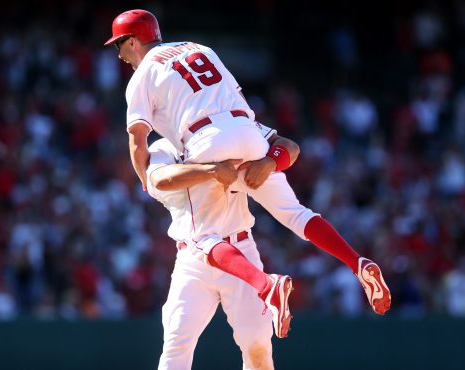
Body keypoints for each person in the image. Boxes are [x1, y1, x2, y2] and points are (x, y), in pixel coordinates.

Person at [104, 9, 391, 324]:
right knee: (297, 214)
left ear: (133, 42)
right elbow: (286, 144)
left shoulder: (143, 74)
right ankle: (358, 263)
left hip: (205, 141)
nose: (119, 55)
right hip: (247, 129)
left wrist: (147, 182)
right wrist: (269, 162)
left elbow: (137, 139)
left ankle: (266, 286)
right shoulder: (201, 49)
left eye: (119, 45)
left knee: (202, 238)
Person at [148, 122, 290, 369]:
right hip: (193, 259)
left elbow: (288, 146)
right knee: (176, 344)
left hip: (240, 249)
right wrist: (212, 170)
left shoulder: (230, 125)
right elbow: (159, 180)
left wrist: (269, 162)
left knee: (258, 346)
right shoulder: (165, 145)